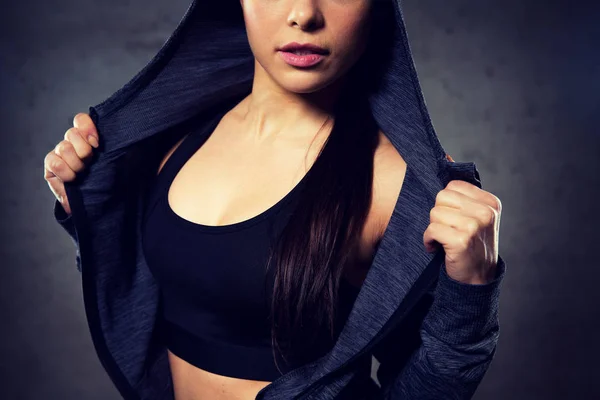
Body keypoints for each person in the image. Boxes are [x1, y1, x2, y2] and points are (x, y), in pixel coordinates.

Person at [43, 0, 507, 399]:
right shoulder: (173, 137)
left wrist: (471, 290)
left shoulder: (394, 187)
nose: (303, 14)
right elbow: (151, 289)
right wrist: (87, 206)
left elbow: (426, 382)